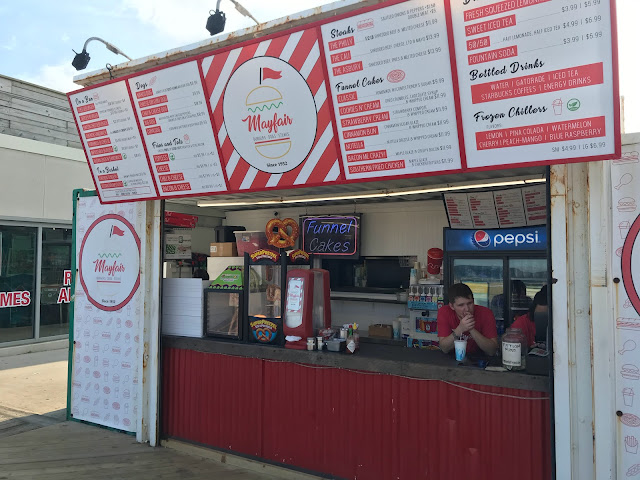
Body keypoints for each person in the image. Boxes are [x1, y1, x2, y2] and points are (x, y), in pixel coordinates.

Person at [438, 283, 498, 356]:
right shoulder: (445, 312)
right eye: (461, 305)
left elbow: (492, 351)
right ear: (452, 306)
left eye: (470, 303)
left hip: (479, 357)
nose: (467, 309)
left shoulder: (485, 313)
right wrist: (460, 329)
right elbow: (444, 348)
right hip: (453, 357)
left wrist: (471, 329)